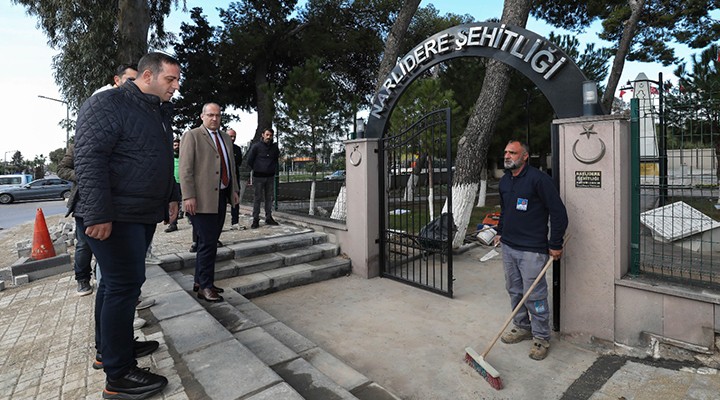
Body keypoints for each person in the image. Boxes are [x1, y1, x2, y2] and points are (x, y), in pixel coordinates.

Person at [74, 52, 181, 398]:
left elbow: (162, 157)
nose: (176, 87)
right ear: (148, 76)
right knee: (123, 287)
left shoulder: (156, 110)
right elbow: (89, 159)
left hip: (138, 213)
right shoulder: (107, 104)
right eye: (171, 80)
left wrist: (172, 193)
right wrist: (98, 214)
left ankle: (111, 351)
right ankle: (119, 376)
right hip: (114, 215)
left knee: (115, 287)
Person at [494, 139, 568, 361]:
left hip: (532, 250)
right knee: (515, 291)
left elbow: (558, 213)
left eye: (512, 153)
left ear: (525, 156)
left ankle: (541, 337)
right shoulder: (506, 181)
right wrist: (500, 231)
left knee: (534, 295)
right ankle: (522, 326)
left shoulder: (539, 180)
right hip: (508, 246)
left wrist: (555, 243)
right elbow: (505, 210)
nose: (507, 156)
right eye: (506, 152)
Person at [179, 103, 239, 303]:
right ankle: (204, 286)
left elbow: (231, 166)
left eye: (218, 115)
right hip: (201, 200)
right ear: (202, 116)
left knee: (211, 242)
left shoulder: (224, 138)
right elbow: (185, 169)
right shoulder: (193, 135)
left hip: (220, 197)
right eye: (211, 115)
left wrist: (234, 190)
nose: (215, 118)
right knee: (206, 243)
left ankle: (201, 281)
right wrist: (188, 196)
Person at [57, 144, 93, 296]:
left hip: (111, 201)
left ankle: (105, 275)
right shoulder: (77, 145)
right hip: (83, 204)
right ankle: (82, 278)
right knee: (84, 244)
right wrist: (81, 175)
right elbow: (61, 170)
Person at [246, 128, 280, 229]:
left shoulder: (274, 148)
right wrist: (257, 168)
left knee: (269, 198)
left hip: (270, 176)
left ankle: (268, 217)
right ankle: (255, 219)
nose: (269, 137)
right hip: (258, 177)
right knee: (257, 198)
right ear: (263, 135)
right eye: (267, 135)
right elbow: (250, 160)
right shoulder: (256, 147)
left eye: (270, 135)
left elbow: (276, 159)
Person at [227, 128, 245, 230]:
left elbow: (239, 162)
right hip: (223, 178)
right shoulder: (220, 147)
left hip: (234, 177)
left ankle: (235, 221)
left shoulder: (237, 149)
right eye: (230, 136)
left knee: (235, 200)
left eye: (234, 136)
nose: (233, 138)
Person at [165, 138, 182, 233]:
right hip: (174, 182)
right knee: (173, 203)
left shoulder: (184, 156)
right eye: (175, 145)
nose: (177, 147)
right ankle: (173, 224)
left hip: (184, 182)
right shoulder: (169, 156)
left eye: (178, 145)